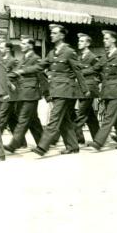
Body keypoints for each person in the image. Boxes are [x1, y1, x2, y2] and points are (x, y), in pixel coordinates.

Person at [31, 24, 90, 156]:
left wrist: (85, 89)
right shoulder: (52, 53)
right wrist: (22, 71)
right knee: (64, 121)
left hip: (66, 90)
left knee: (54, 117)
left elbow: (78, 71)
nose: (51, 35)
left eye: (55, 33)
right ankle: (73, 146)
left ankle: (42, 146)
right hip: (56, 90)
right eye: (51, 33)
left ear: (62, 35)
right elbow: (40, 66)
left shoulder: (69, 52)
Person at [3, 37, 47, 153]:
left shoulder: (36, 59)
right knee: (33, 120)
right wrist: (4, 78)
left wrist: (47, 94)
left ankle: (14, 144)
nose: (21, 45)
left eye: (24, 43)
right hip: (23, 92)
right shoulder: (22, 59)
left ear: (30, 46)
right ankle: (43, 143)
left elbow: (41, 77)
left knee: (23, 118)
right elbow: (15, 73)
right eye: (21, 43)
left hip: (31, 93)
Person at [74, 33, 100, 143]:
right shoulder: (80, 57)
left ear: (88, 43)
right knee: (90, 117)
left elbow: (97, 70)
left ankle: (74, 139)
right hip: (82, 89)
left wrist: (82, 73)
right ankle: (98, 139)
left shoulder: (92, 57)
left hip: (89, 89)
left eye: (82, 41)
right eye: (79, 41)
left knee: (80, 115)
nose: (79, 43)